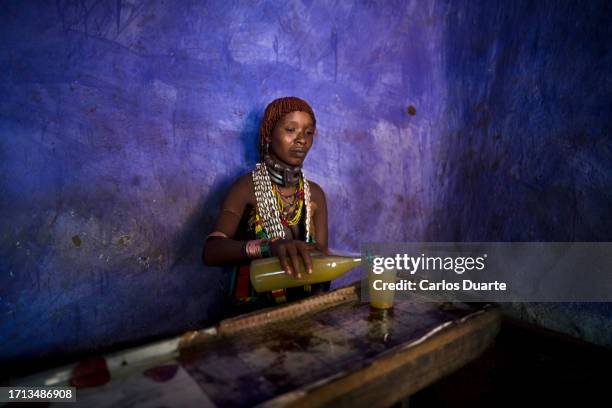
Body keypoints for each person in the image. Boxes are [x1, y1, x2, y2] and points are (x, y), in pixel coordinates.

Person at [202, 96, 331, 316]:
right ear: (269, 135)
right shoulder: (246, 188)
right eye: (291, 129)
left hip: (305, 311)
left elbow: (322, 260)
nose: (302, 140)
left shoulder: (315, 194)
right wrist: (269, 247)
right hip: (250, 313)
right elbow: (211, 251)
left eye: (308, 133)